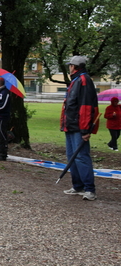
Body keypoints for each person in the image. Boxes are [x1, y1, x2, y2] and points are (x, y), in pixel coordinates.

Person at [60, 55, 99, 201]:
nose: (69, 67)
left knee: (81, 157)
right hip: (70, 126)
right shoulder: (75, 80)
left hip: (78, 126)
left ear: (74, 66)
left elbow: (86, 106)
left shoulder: (83, 80)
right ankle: (78, 186)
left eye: (70, 65)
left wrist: (85, 130)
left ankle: (90, 189)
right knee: (72, 157)